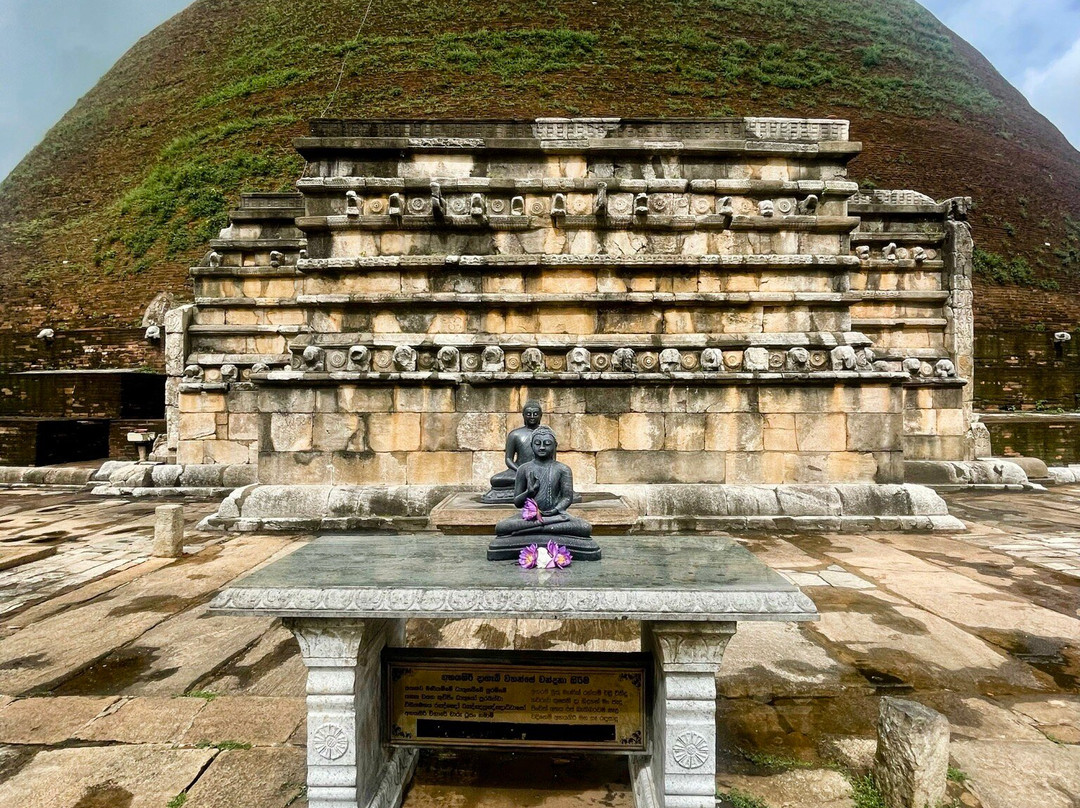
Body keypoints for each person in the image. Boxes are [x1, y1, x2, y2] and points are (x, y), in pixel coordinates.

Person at [488, 426, 599, 560]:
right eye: (537, 443)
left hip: (556, 516)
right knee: (502, 527)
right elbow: (517, 502)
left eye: (547, 444)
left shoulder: (563, 469)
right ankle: (544, 526)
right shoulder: (523, 469)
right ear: (531, 445)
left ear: (554, 446)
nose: (541, 447)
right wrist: (528, 492)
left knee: (585, 527)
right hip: (532, 518)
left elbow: (567, 498)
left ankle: (534, 529)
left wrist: (555, 510)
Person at [480, 400, 543, 503]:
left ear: (540, 416)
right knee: (496, 480)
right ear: (523, 416)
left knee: (553, 479)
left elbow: (552, 460)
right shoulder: (515, 434)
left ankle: (527, 488)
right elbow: (509, 459)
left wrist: (544, 472)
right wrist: (521, 471)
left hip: (540, 471)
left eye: (535, 414)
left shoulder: (546, 434)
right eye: (528, 414)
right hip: (517, 470)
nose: (532, 417)